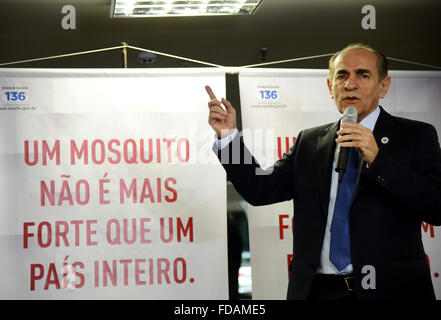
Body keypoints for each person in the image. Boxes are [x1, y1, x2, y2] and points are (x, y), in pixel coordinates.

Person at [205, 43, 441, 300]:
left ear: (383, 86)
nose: (350, 84)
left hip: (391, 292)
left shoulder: (415, 136)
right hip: (318, 292)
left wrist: (379, 159)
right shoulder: (309, 142)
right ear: (330, 87)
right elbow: (260, 189)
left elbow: (436, 207)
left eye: (363, 75)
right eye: (342, 76)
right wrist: (228, 138)